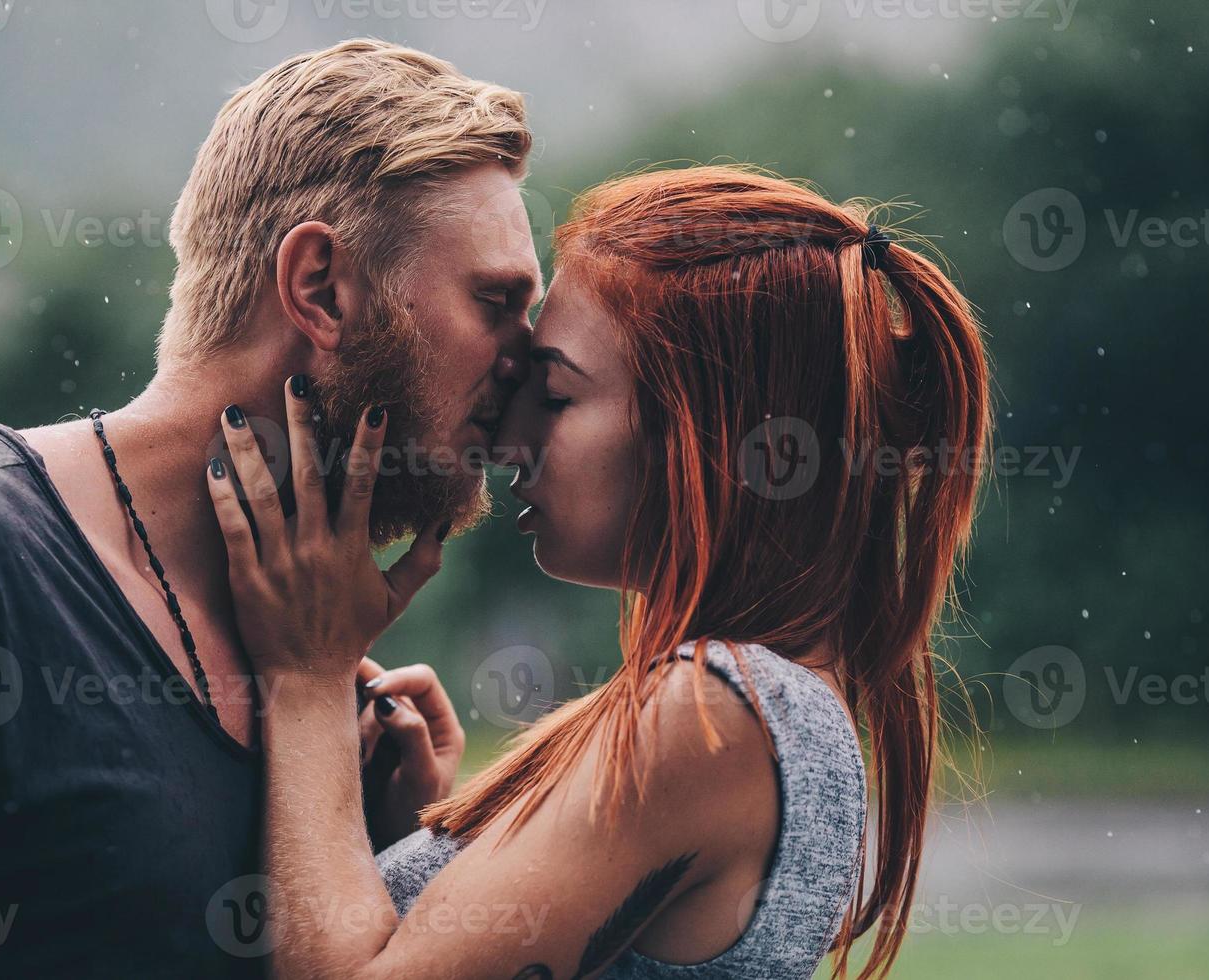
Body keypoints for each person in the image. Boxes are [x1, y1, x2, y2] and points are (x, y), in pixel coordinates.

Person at [0, 39, 538, 977]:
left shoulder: (329, 690)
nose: (528, 363)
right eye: (498, 301)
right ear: (321, 290)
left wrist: (383, 850)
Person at [214, 166, 992, 978]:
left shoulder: (713, 712)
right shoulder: (779, 712)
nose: (507, 438)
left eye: (553, 395)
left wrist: (305, 677)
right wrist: (413, 836)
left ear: (706, 436)